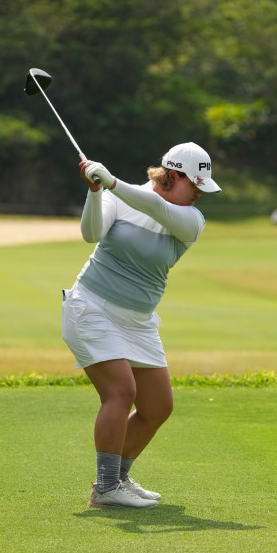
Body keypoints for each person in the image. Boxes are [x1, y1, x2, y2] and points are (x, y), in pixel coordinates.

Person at [61, 142, 221, 509]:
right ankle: (105, 488)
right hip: (92, 308)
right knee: (121, 392)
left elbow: (154, 207)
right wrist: (95, 192)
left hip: (138, 321)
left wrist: (112, 182)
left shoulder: (191, 220)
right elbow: (91, 233)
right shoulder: (118, 198)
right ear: (173, 176)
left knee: (158, 406)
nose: (198, 195)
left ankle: (118, 478)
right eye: (195, 186)